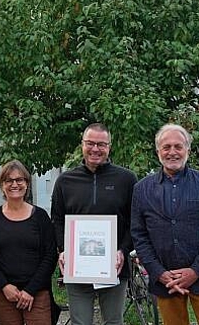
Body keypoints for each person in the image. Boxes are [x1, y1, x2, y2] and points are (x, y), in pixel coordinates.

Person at [131, 124, 199, 325]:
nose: (172, 152)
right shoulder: (142, 189)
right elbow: (139, 235)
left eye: (178, 146)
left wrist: (196, 271)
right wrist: (158, 273)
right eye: (166, 147)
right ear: (158, 151)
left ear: (188, 150)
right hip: (165, 280)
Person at [50, 123, 138, 325]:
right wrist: (63, 250)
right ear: (82, 144)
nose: (95, 149)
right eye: (90, 143)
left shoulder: (126, 179)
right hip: (77, 267)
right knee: (80, 322)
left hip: (114, 267)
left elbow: (135, 222)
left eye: (101, 144)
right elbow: (57, 221)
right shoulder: (65, 181)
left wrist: (123, 251)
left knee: (114, 321)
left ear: (109, 146)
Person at [0, 160, 58, 325]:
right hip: (5, 294)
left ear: (27, 183)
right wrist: (4, 286)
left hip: (37, 294)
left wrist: (31, 290)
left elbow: (50, 255)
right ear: (2, 185)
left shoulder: (40, 217)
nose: (14, 184)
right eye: (9, 180)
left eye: (19, 180)